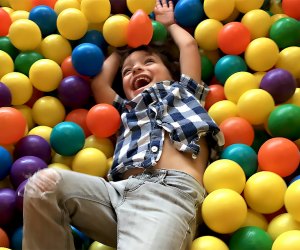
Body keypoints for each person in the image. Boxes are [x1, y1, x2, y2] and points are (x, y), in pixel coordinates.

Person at [22, 0, 224, 249]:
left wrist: (169, 23)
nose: (137, 68)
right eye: (127, 71)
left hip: (169, 194)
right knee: (44, 185)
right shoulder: (123, 111)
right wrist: (119, 49)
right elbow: (99, 85)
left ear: (171, 72)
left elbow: (189, 46)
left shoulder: (184, 91)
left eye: (149, 62)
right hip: (115, 195)